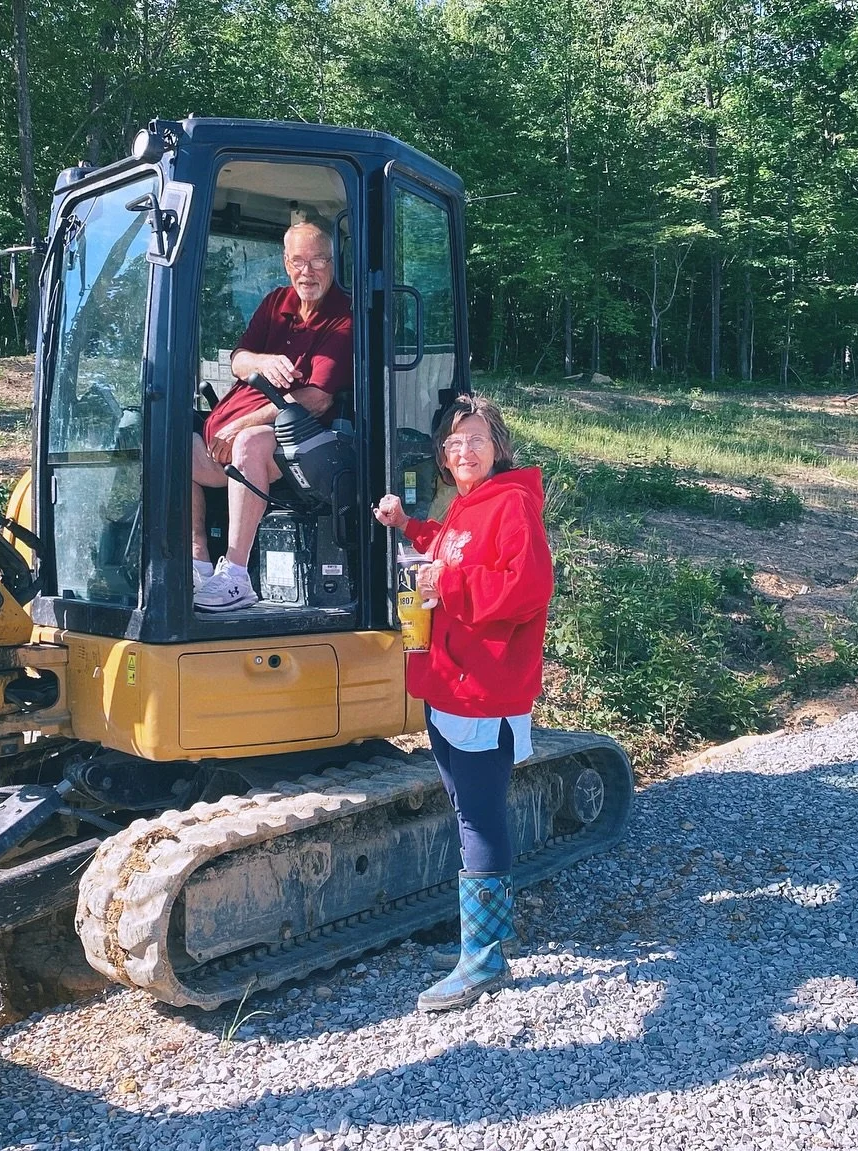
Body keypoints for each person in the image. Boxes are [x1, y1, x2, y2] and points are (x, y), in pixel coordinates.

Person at [373, 394, 554, 1012]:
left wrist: (445, 583)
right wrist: (409, 529)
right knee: (466, 807)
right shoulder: (467, 508)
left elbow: (526, 588)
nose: (463, 450)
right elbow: (451, 549)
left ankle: (482, 960)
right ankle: (487, 935)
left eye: (475, 438)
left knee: (477, 816)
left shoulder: (512, 505)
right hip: (450, 681)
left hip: (484, 688)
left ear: (498, 445)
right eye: (452, 444)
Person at [192, 220, 352, 612]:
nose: (307, 271)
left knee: (249, 443)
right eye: (298, 261)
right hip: (225, 438)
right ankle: (197, 560)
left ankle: (235, 576)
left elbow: (316, 399)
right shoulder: (276, 303)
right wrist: (262, 361)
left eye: (318, 261)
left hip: (302, 443)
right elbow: (238, 360)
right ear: (285, 262)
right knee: (169, 439)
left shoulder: (344, 316)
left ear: (333, 263)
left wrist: (240, 425)